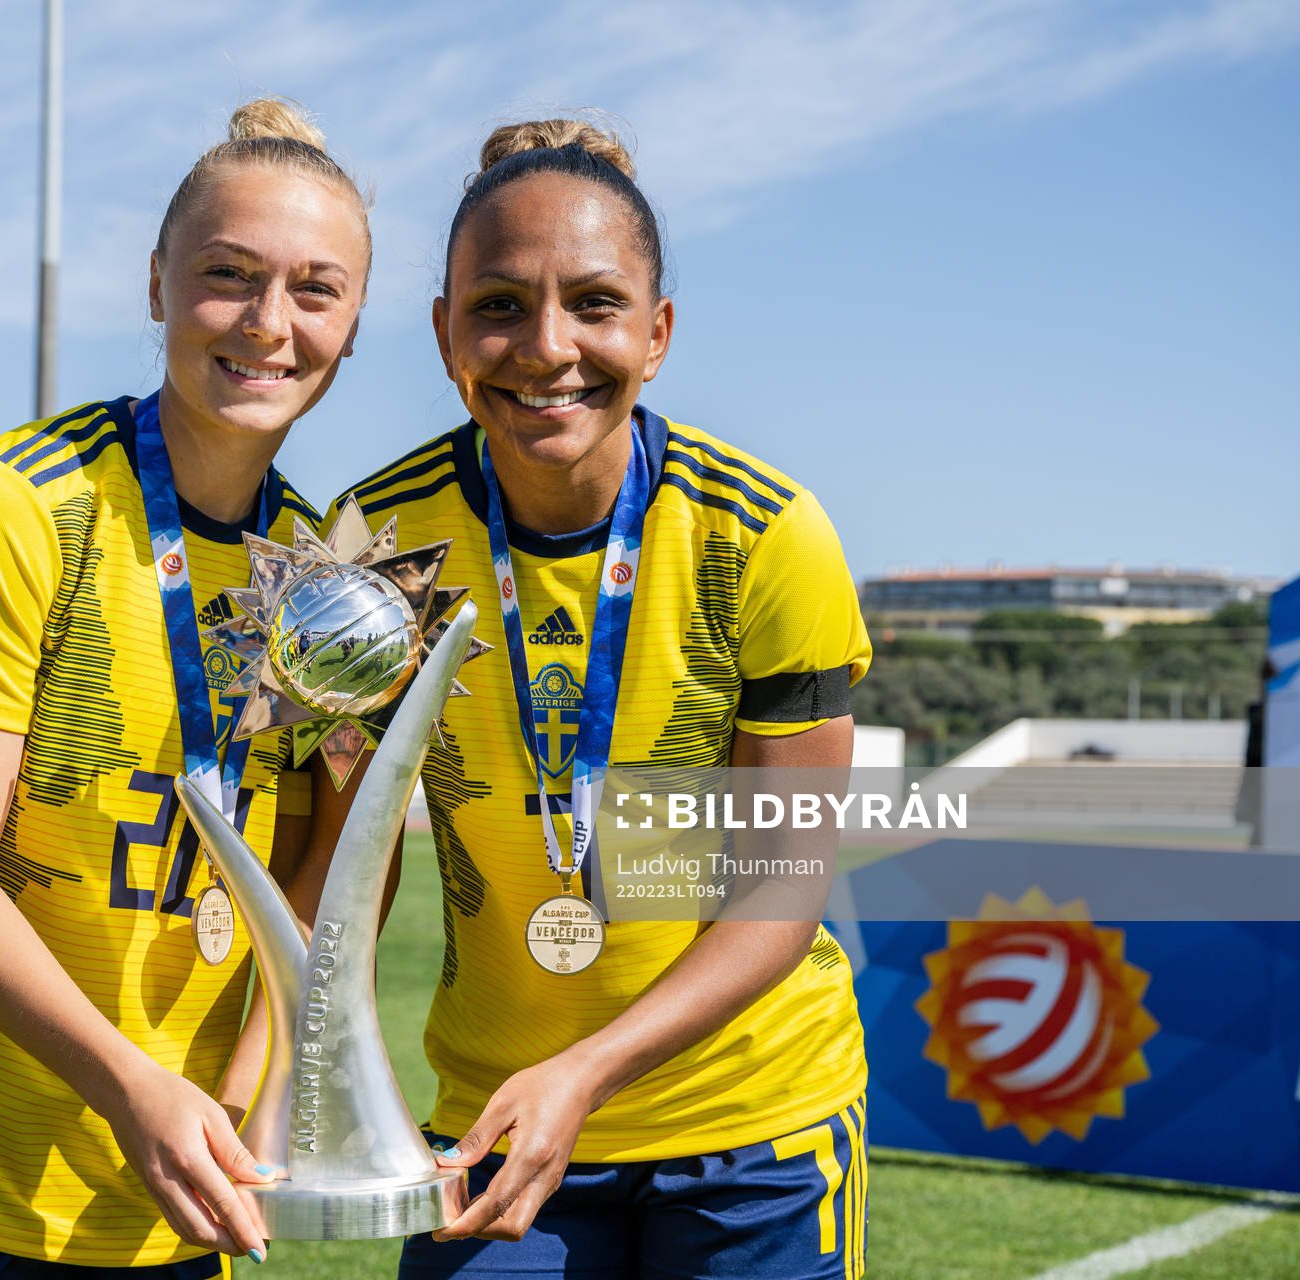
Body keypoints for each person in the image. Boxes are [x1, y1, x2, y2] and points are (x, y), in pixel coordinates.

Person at [0, 98, 370, 1279]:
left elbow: (333, 864)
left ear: (354, 326)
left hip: (177, 1193)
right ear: (156, 283)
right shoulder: (15, 508)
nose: (269, 322)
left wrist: (252, 1091)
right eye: (227, 275)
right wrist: (131, 1086)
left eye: (315, 290)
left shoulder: (330, 577)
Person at [323, 119, 872, 1278]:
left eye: (595, 303)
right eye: (500, 306)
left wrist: (584, 1070)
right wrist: (327, 1072)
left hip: (751, 1126)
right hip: (497, 1118)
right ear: (445, 332)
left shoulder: (766, 533)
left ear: (657, 332)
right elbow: (348, 863)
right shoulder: (379, 538)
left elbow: (784, 889)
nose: (548, 347)